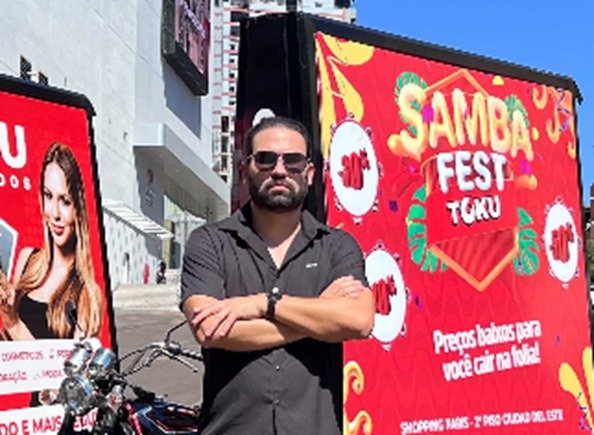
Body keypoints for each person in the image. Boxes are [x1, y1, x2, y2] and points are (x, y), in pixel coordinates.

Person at [181, 116, 374, 434]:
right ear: (246, 170)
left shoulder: (337, 246)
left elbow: (359, 321)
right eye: (266, 159)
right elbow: (210, 330)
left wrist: (264, 304)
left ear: (309, 173)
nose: (280, 170)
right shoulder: (210, 242)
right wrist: (319, 320)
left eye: (293, 160)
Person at [0, 143, 102, 341]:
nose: (54, 213)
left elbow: (76, 361)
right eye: (48, 196)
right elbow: (9, 342)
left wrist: (13, 323)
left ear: (78, 208)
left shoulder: (87, 292)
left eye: (65, 201)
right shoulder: (28, 260)